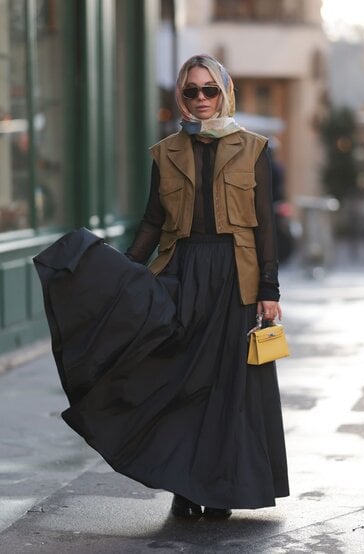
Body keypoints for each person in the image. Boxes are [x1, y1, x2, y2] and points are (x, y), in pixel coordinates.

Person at [34, 54, 289, 521]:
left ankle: (219, 489)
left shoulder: (254, 148)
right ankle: (185, 485)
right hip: (182, 271)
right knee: (178, 381)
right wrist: (126, 272)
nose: (200, 99)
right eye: (191, 91)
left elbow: (265, 225)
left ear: (225, 91)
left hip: (236, 277)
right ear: (181, 96)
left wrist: (268, 290)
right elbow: (153, 221)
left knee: (226, 389)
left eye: (209, 89)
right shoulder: (166, 151)